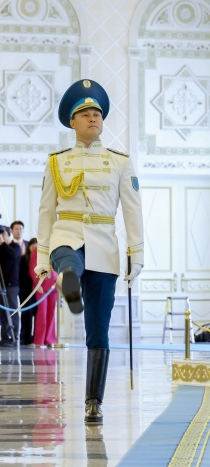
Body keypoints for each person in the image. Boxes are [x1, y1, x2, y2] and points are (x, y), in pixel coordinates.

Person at [36, 79, 144, 423]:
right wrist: (41, 259)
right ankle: (68, 278)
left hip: (104, 244)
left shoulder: (119, 162)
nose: (93, 118)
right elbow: (45, 212)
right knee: (67, 258)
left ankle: (93, 401)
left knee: (98, 329)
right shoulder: (57, 161)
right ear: (72, 122)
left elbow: (132, 209)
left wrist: (136, 253)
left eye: (97, 113)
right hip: (66, 233)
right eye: (85, 113)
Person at [29, 238, 58, 347]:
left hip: (54, 285)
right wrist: (37, 284)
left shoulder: (57, 250)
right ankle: (39, 340)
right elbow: (33, 268)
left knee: (51, 312)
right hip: (41, 285)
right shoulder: (37, 250)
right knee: (42, 313)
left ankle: (50, 340)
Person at [0, 225, 22, 347]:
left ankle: (14, 335)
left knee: (12, 310)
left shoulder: (15, 246)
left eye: (3, 235)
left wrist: (3, 244)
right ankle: (5, 336)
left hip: (11, 285)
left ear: (8, 235)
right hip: (1, 285)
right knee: (3, 312)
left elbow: (13, 255)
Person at [19, 238, 38, 346]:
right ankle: (25, 338)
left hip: (37, 291)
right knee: (26, 314)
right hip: (25, 291)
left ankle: (35, 337)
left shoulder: (40, 261)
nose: (34, 249)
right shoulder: (23, 259)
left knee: (36, 314)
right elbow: (21, 276)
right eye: (32, 247)